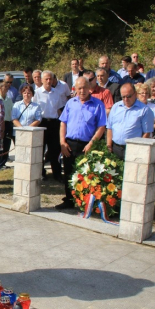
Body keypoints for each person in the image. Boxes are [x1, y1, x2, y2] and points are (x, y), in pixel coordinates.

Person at [56, 77, 106, 210]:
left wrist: (91, 144)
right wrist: (62, 142)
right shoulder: (70, 103)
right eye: (79, 88)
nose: (82, 91)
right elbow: (63, 123)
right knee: (68, 173)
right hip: (69, 144)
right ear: (75, 89)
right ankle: (69, 200)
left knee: (86, 175)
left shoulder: (98, 104)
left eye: (84, 87)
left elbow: (101, 127)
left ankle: (84, 202)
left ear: (89, 88)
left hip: (87, 145)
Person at [106, 83, 154, 160]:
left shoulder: (145, 110)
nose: (126, 99)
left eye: (128, 96)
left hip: (133, 148)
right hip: (116, 148)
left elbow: (147, 133)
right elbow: (109, 127)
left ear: (135, 94)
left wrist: (138, 149)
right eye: (123, 97)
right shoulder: (116, 107)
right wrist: (108, 145)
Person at [33, 71, 62, 181]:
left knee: (55, 150)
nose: (49, 81)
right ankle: (41, 173)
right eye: (46, 79)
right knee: (40, 149)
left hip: (54, 123)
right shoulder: (37, 93)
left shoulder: (56, 93)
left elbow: (59, 109)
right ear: (41, 80)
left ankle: (57, 174)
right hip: (42, 123)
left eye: (50, 79)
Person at [0, 81, 14, 169]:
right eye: (4, 87)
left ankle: (3, 163)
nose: (6, 88)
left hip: (8, 123)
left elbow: (11, 111)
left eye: (7, 87)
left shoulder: (9, 99)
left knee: (7, 144)